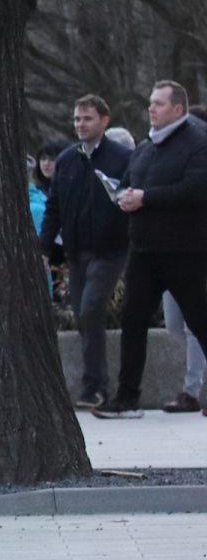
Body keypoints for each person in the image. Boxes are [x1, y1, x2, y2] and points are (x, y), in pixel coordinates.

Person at [97, 80, 207, 418]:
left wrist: (147, 198)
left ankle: (193, 390)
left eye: (159, 103)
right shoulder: (146, 146)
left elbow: (195, 189)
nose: (151, 109)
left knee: (201, 322)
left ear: (178, 109)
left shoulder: (198, 143)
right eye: (151, 103)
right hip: (144, 250)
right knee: (133, 322)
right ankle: (127, 397)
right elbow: (132, 179)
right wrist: (125, 197)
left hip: (185, 251)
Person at [40, 94, 130, 409]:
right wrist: (44, 249)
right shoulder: (67, 160)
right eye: (77, 119)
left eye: (87, 119)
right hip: (77, 253)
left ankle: (96, 386)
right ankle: (95, 382)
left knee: (91, 309)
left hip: (111, 250)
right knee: (82, 314)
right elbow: (53, 209)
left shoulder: (121, 158)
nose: (80, 125)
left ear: (104, 121)